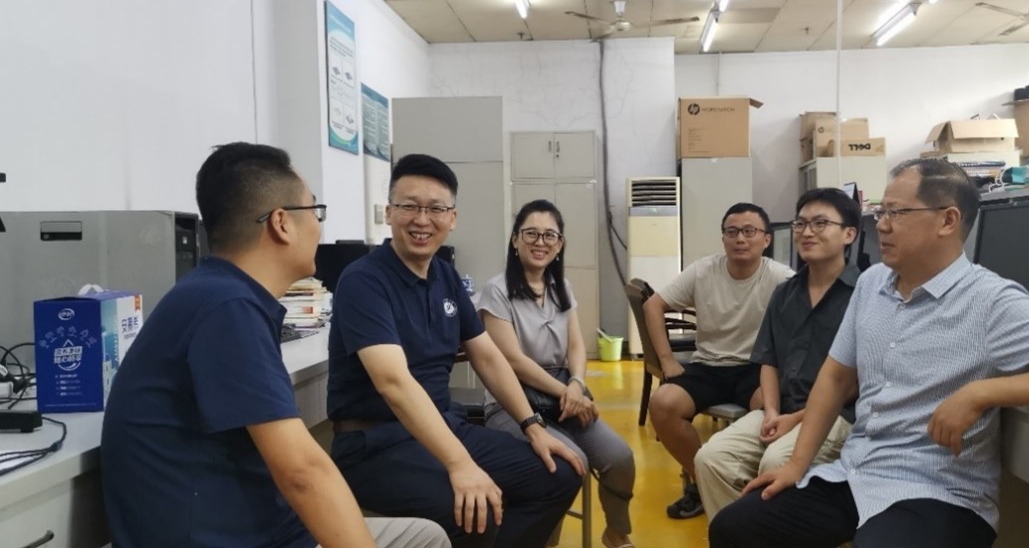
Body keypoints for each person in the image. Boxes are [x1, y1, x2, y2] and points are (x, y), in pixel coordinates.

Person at [709, 158, 1029, 548]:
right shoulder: (872, 284)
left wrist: (980, 393)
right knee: (735, 528)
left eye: (897, 213)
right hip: (856, 472)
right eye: (881, 213)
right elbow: (836, 377)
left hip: (937, 489)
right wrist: (797, 465)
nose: (882, 225)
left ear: (948, 220)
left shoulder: (991, 300)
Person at [101, 142, 448, 548]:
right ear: (282, 223)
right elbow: (303, 472)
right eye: (315, 212)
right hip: (226, 538)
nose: (319, 227)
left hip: (262, 524)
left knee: (426, 537)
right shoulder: (227, 308)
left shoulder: (222, 294)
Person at [327, 154, 584, 548]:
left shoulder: (445, 276)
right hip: (376, 445)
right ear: (390, 212)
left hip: (445, 427)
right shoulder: (364, 281)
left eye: (436, 209)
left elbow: (488, 357)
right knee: (475, 512)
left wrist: (533, 427)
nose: (422, 220)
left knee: (559, 475)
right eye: (409, 206)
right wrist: (460, 464)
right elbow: (393, 383)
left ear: (452, 218)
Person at [694, 188, 860, 523]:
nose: (807, 232)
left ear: (849, 234)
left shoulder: (863, 294)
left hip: (837, 416)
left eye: (820, 223)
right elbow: (768, 360)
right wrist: (770, 411)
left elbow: (852, 383)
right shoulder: (785, 292)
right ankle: (738, 536)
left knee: (776, 461)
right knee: (711, 458)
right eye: (801, 224)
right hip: (781, 409)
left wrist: (794, 420)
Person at [479, 200, 636, 548]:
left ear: (560, 243)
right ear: (515, 240)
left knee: (619, 457)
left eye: (550, 235)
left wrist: (577, 384)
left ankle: (615, 532)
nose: (541, 242)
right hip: (513, 401)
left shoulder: (560, 286)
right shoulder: (497, 290)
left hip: (563, 396)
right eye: (531, 234)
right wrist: (567, 391)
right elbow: (512, 361)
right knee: (567, 464)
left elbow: (577, 346)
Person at [644, 202, 795, 519]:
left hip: (756, 368)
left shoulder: (781, 278)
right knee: (662, 404)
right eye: (732, 231)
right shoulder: (703, 271)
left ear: (766, 239)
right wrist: (667, 360)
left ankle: (754, 488)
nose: (740, 238)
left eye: (749, 231)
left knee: (774, 411)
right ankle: (702, 482)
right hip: (708, 366)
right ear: (723, 238)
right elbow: (653, 306)